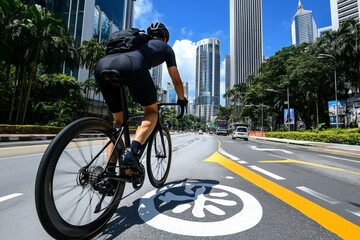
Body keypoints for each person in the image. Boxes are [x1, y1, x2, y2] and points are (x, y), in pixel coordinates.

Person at [94, 22, 188, 171]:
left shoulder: (138, 42)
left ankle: (109, 173)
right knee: (151, 112)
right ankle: (131, 153)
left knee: (118, 122)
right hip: (132, 65)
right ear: (164, 39)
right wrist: (182, 100)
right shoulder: (166, 48)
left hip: (101, 66)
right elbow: (176, 80)